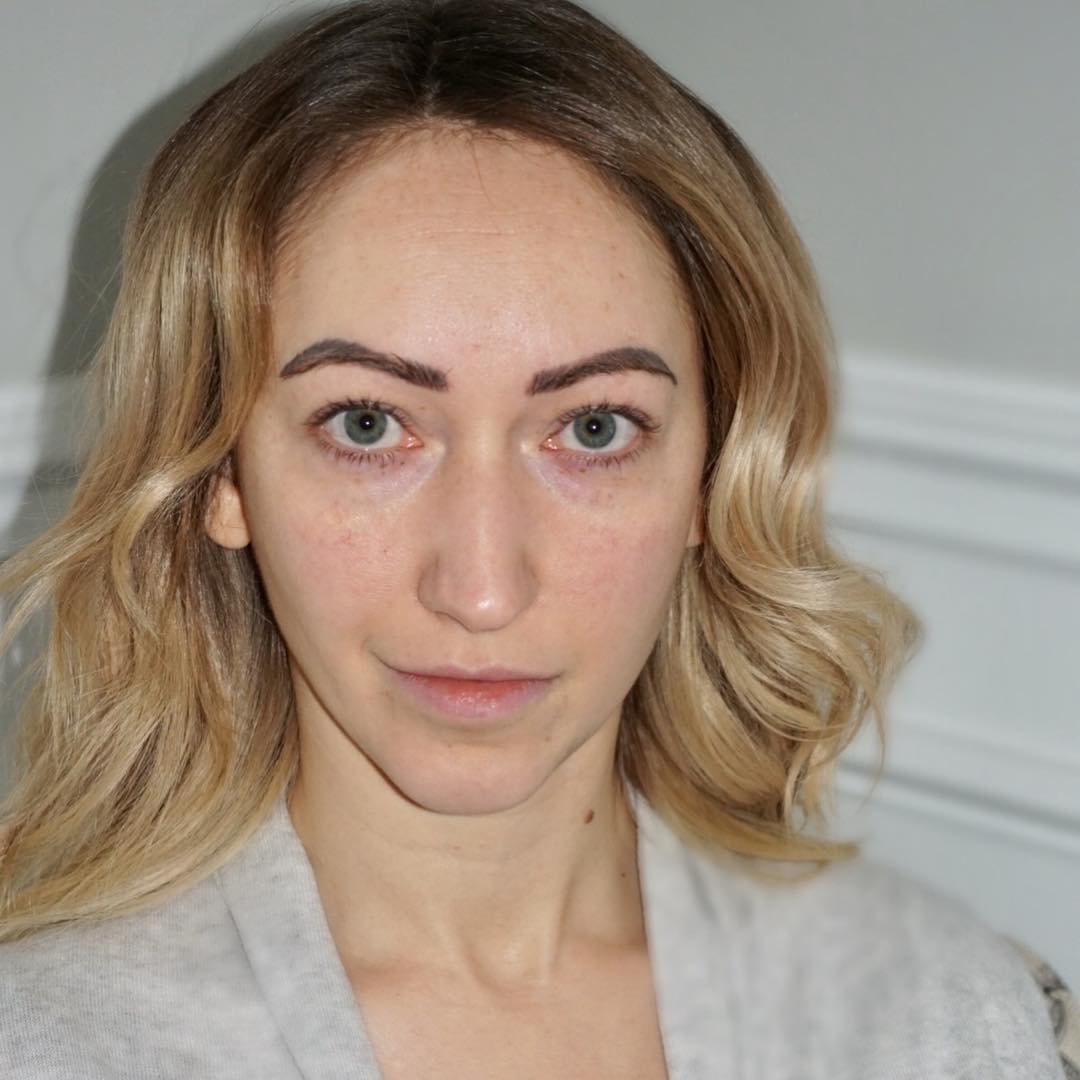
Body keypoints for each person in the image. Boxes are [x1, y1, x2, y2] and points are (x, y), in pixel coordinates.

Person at [0, 1, 1074, 1077]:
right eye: (367, 425)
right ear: (220, 473)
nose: (481, 589)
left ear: (715, 473)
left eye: (594, 429)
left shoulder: (947, 1019)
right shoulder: (52, 1042)